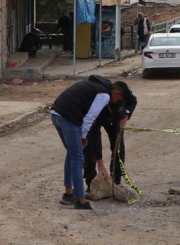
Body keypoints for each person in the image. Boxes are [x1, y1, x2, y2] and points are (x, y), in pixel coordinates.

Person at [50, 75, 126, 210]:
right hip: (69, 118)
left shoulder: (93, 85)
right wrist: (83, 136)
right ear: (117, 93)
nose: (116, 102)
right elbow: (90, 117)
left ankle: (68, 194)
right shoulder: (104, 95)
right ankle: (81, 200)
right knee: (78, 158)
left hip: (56, 113)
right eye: (119, 99)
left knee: (72, 153)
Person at [84, 81, 137, 193]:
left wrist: (126, 115)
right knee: (90, 148)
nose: (119, 100)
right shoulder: (98, 101)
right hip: (96, 119)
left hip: (114, 121)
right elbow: (95, 137)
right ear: (116, 93)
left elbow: (133, 101)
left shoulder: (124, 93)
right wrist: (100, 163)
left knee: (119, 147)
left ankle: (116, 180)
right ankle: (91, 183)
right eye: (118, 99)